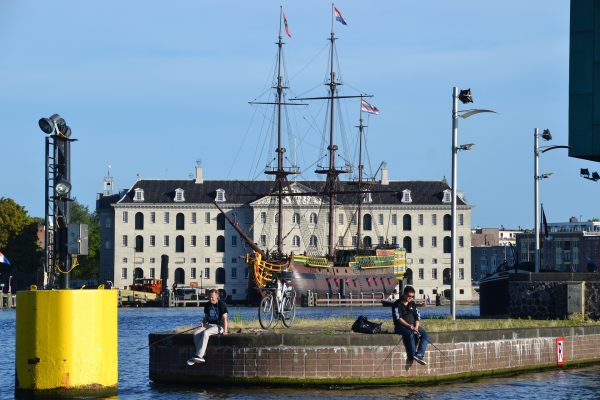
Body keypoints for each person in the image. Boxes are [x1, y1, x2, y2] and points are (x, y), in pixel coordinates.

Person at [186, 289, 228, 365]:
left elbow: (225, 318)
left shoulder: (222, 304)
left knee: (206, 333)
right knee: (196, 334)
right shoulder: (207, 305)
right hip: (209, 325)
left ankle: (199, 355)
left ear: (217, 296)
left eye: (212, 297)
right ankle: (202, 354)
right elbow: (206, 317)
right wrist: (202, 322)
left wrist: (225, 330)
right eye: (209, 297)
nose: (210, 299)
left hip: (219, 326)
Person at [392, 285, 429, 365]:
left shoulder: (412, 304)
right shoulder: (397, 304)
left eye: (412, 296)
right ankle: (412, 355)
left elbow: (417, 317)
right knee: (410, 333)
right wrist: (409, 326)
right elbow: (399, 318)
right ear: (404, 294)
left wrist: (416, 326)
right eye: (409, 296)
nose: (410, 298)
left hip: (413, 326)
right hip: (401, 327)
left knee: (425, 335)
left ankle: (419, 355)